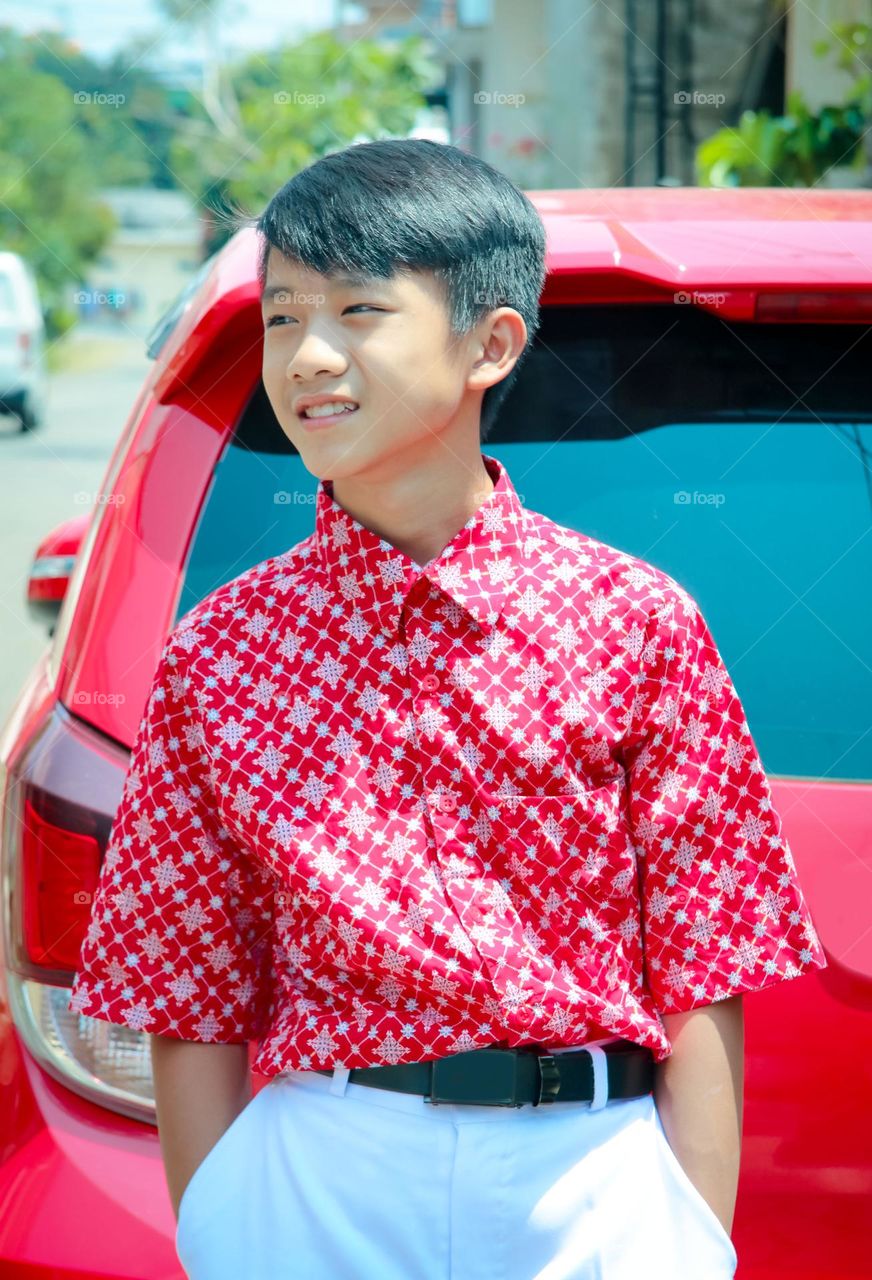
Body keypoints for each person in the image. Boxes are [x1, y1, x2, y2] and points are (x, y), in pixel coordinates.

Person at [68, 138, 827, 1279]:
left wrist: (689, 1225)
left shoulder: (631, 619)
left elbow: (696, 971)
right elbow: (192, 983)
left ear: (490, 342)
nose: (308, 355)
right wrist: (217, 1217)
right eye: (281, 317)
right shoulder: (220, 647)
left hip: (592, 1173)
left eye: (357, 310)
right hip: (316, 1168)